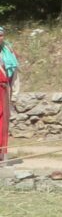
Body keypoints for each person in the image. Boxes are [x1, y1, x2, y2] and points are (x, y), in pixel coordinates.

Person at [0, 26, 17, 162]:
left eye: (1, 35)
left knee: (3, 123)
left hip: (4, 90)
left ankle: (2, 154)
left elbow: (14, 74)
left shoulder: (7, 51)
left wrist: (14, 94)